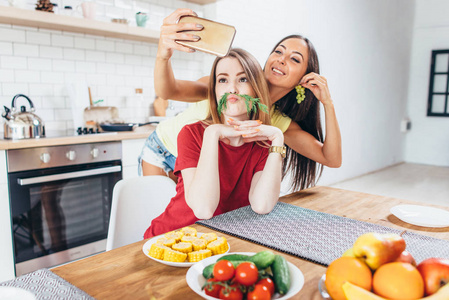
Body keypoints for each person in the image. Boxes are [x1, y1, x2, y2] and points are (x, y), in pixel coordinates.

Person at [139, 8, 341, 191]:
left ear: (304, 78)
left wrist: (328, 103)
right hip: (162, 152)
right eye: (278, 51)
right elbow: (169, 91)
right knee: (167, 228)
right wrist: (163, 55)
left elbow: (331, 158)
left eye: (294, 59)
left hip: (195, 168)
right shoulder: (229, 84)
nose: (281, 59)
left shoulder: (277, 122)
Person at [144, 48, 284, 238]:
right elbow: (203, 209)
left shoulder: (264, 144)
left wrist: (277, 137)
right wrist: (213, 133)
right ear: (215, 90)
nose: (232, 89)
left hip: (219, 243)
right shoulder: (191, 134)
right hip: (170, 239)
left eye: (243, 79)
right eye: (223, 80)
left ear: (256, 88)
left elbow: (262, 205)